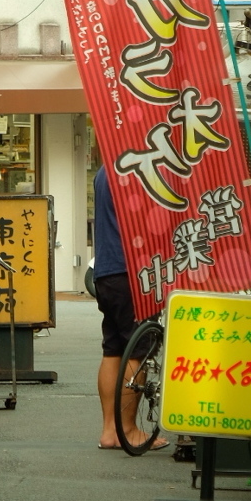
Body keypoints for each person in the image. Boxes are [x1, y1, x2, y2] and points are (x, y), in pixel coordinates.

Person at [92, 163, 169, 451]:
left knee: (113, 349)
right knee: (137, 351)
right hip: (133, 272)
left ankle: (109, 430)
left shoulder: (105, 169)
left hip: (106, 271)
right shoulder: (141, 166)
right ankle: (128, 429)